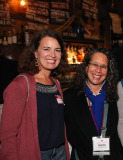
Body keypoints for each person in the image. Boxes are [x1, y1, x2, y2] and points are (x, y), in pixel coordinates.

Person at [0, 29, 70, 160]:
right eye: (46, 49)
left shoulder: (56, 84)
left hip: (60, 153)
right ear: (35, 53)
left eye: (57, 50)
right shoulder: (20, 85)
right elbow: (8, 135)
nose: (53, 54)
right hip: (36, 154)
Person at [64, 48, 123, 160]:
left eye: (103, 66)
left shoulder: (117, 96)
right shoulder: (69, 97)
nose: (98, 70)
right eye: (94, 64)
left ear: (109, 71)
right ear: (86, 67)